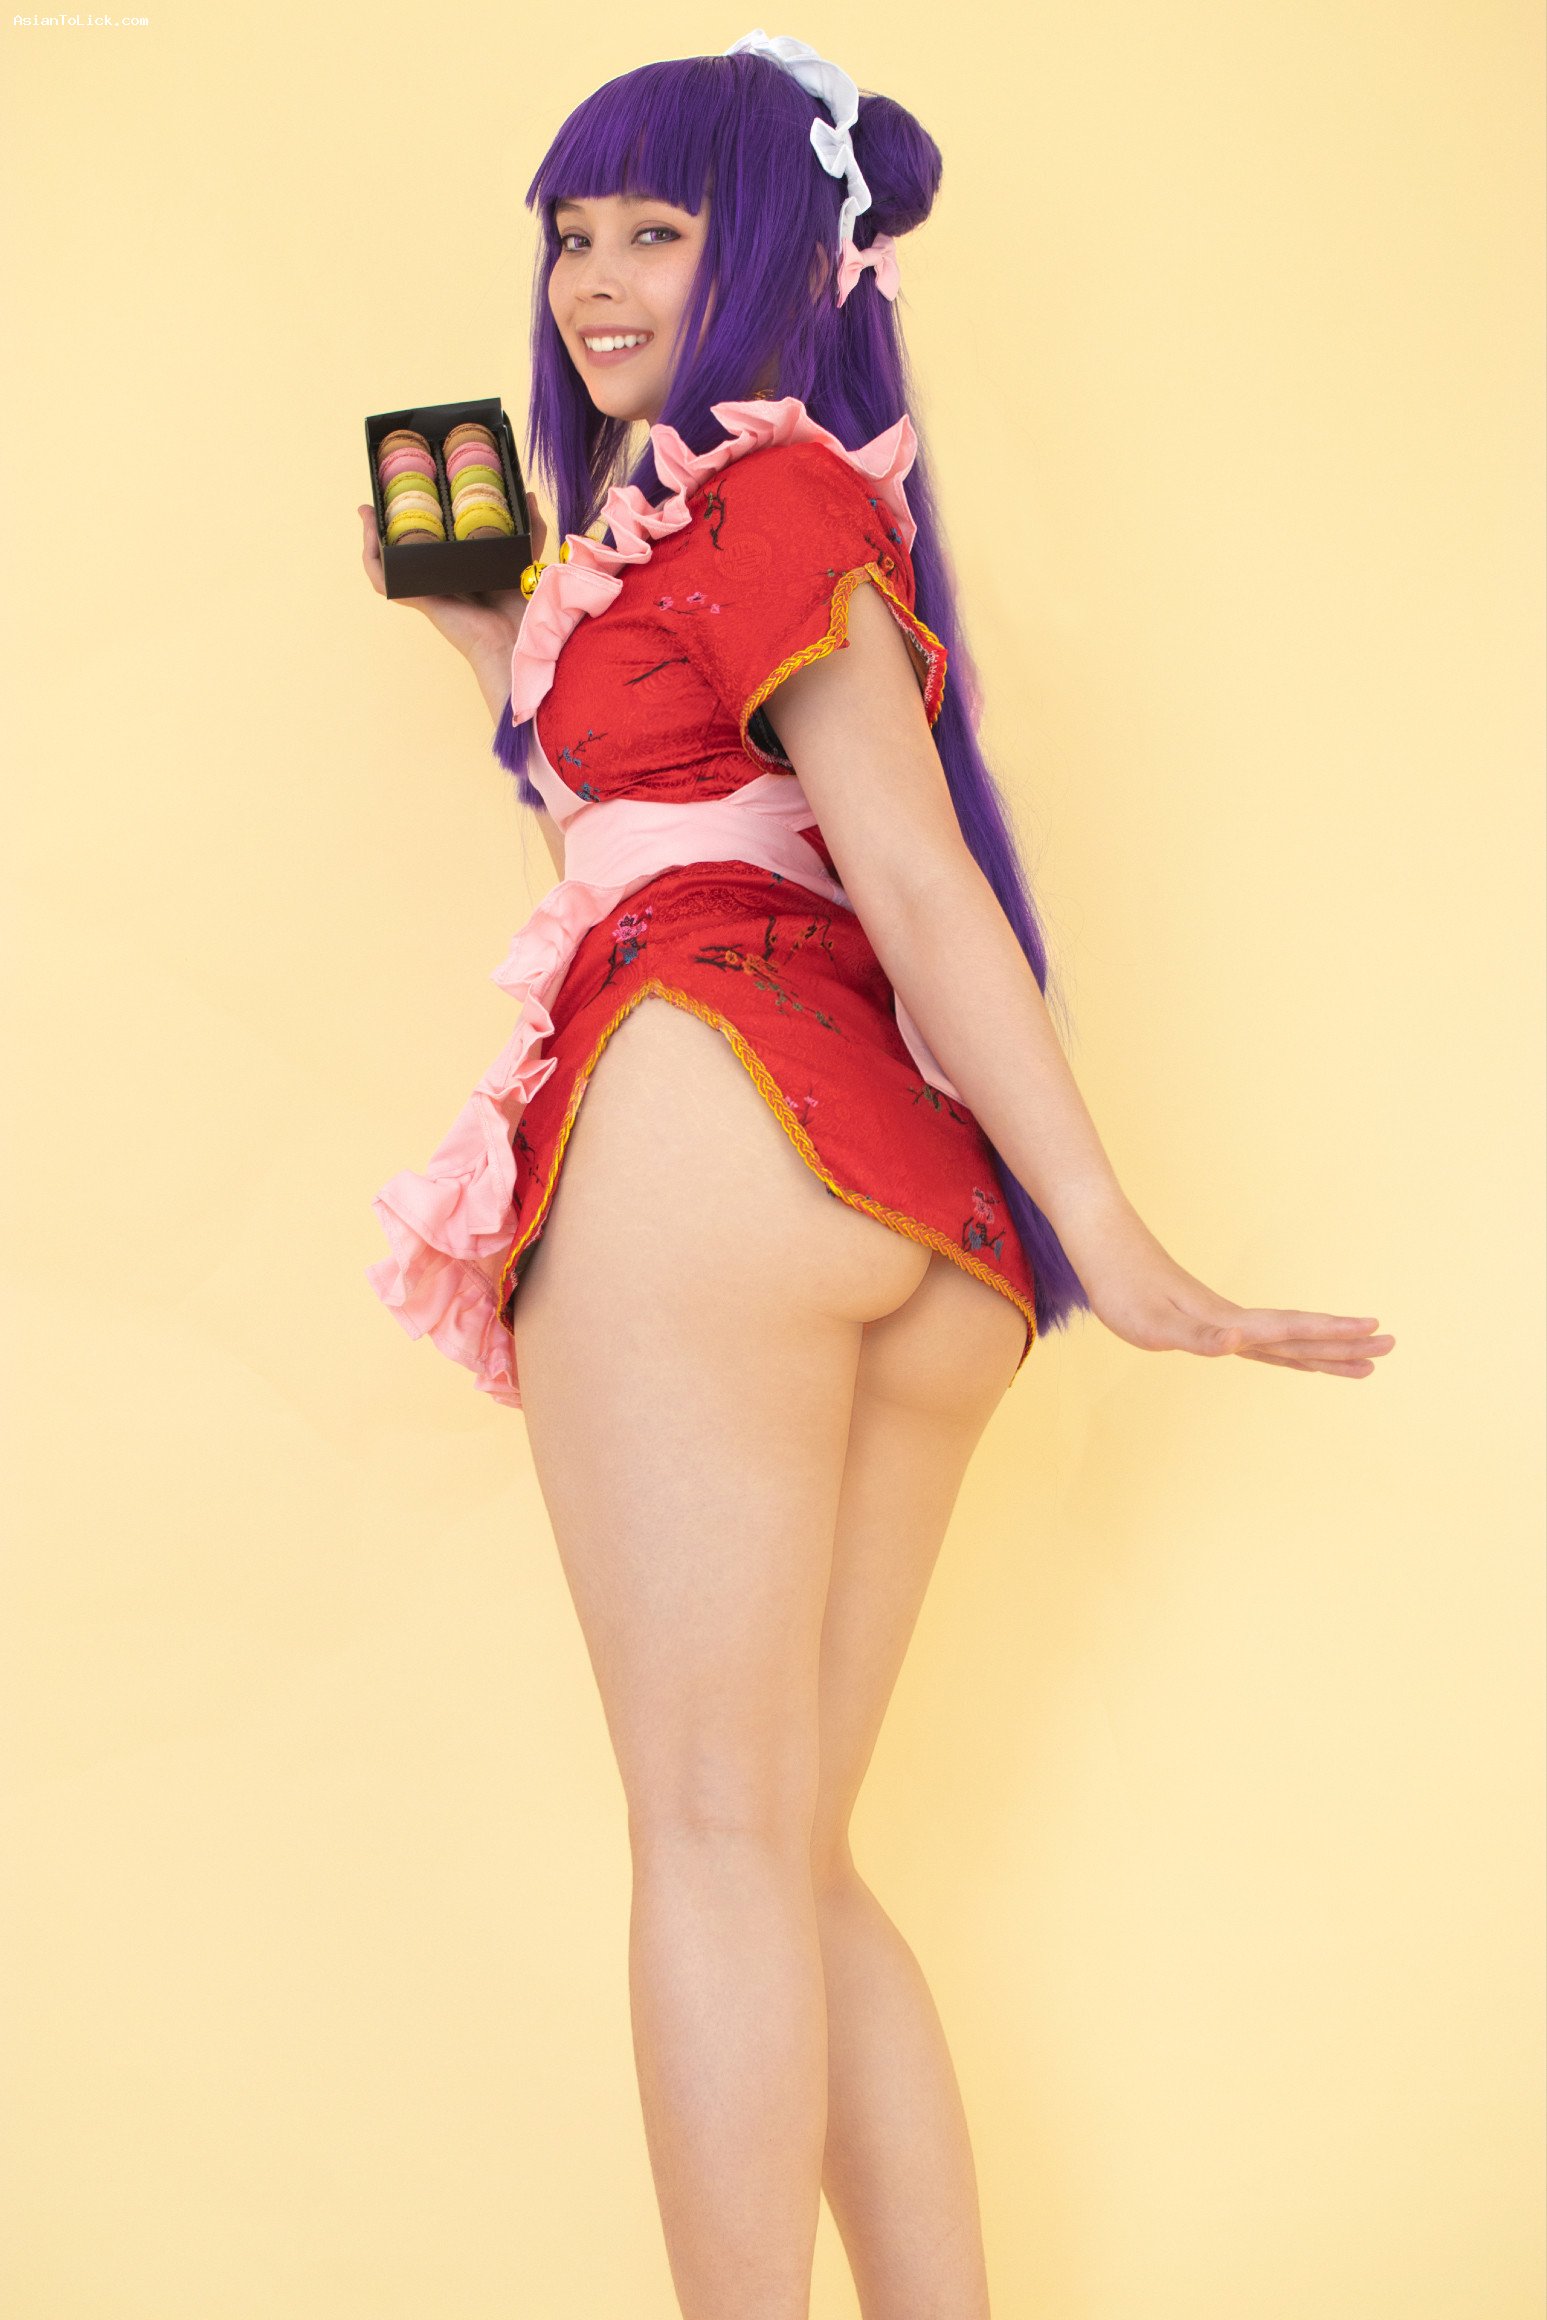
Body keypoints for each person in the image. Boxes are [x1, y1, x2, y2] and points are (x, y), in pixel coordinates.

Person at [357, 31, 1395, 2314]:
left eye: (655, 230)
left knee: (713, 1835)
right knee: (795, 1857)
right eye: (570, 234)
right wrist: (490, 640)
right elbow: (685, 827)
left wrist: (1126, 1239)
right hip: (900, 1204)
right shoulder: (728, 532)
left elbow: (914, 877)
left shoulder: (773, 503)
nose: (594, 279)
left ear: (776, 258)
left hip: (716, 1125)